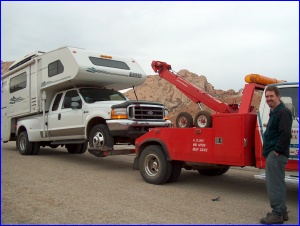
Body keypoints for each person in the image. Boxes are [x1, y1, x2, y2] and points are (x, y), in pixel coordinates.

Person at [260, 85, 293, 224]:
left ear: (278, 96)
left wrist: (277, 151)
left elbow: (285, 134)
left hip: (277, 154)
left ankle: (277, 214)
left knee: (274, 185)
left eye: (271, 96)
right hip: (274, 153)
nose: (269, 99)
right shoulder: (275, 112)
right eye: (267, 97)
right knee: (277, 183)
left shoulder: (283, 112)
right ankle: (282, 211)